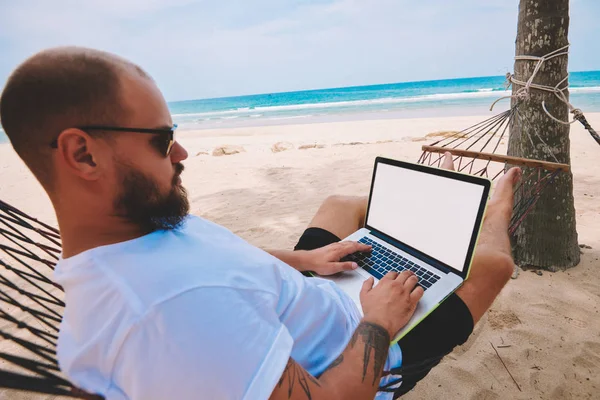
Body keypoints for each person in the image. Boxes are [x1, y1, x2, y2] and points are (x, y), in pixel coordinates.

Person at [0, 47, 519, 400]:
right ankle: (494, 211)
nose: (181, 152)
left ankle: (433, 209)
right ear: (83, 155)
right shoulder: (175, 312)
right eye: (161, 140)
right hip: (368, 344)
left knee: (342, 204)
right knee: (494, 261)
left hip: (312, 289)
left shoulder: (132, 226)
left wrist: (305, 260)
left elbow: (216, 263)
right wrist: (379, 321)